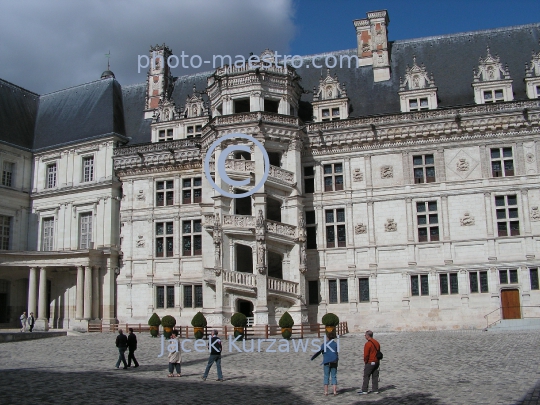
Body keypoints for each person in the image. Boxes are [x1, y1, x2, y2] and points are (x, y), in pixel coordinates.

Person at [311, 331, 339, 396]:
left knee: (326, 376)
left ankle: (326, 392)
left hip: (326, 362)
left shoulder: (324, 344)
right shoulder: (335, 344)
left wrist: (312, 357)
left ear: (328, 337)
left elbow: (319, 352)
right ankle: (334, 391)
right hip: (334, 361)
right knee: (334, 376)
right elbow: (336, 353)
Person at [358, 330, 381, 395]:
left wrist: (365, 361)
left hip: (370, 362)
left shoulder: (368, 344)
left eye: (365, 335)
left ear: (368, 336)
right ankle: (375, 389)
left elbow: (366, 355)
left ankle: (365, 390)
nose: (365, 336)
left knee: (366, 376)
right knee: (375, 376)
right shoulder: (376, 342)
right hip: (377, 361)